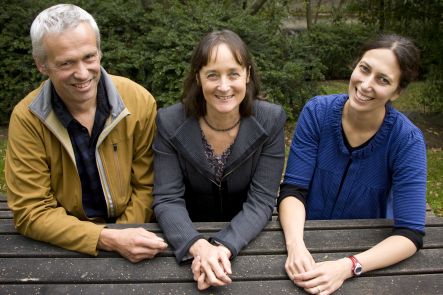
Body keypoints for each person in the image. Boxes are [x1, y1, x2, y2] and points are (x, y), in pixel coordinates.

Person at [5, 4, 167, 263]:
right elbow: (31, 212)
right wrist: (107, 239)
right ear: (42, 65)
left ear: (100, 51)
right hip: (66, 239)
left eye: (89, 57)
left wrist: (123, 233)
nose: (82, 74)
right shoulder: (27, 118)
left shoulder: (139, 101)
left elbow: (148, 185)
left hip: (136, 231)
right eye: (66, 63)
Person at [278, 34, 426, 294]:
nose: (366, 84)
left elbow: (410, 233)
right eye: (364, 69)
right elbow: (293, 190)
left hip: (368, 250)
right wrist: (296, 245)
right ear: (355, 65)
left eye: (383, 80)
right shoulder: (317, 112)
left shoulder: (407, 140)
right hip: (304, 235)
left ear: (397, 91)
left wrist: (349, 266)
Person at [153, 29, 286, 290]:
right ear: (198, 78)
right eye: (212, 75)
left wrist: (223, 247)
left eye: (233, 74)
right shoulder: (169, 122)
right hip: (185, 238)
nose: (224, 86)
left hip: (248, 239)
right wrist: (198, 246)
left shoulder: (271, 120)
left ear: (247, 74)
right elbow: (167, 198)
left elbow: (262, 200)